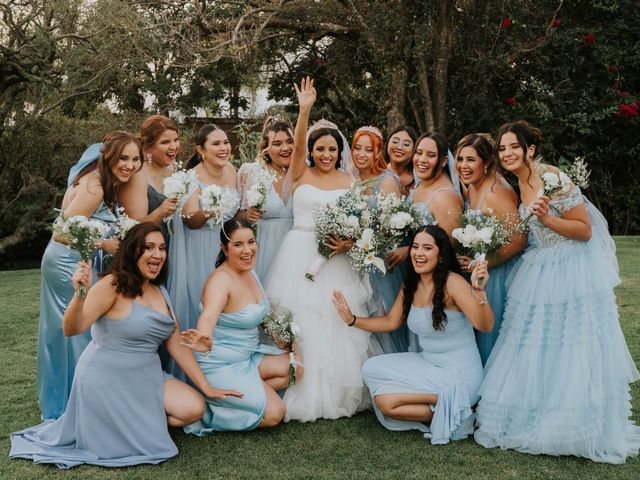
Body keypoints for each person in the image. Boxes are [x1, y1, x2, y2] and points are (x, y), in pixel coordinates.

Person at [474, 120, 640, 464]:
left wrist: (548, 219)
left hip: (569, 270)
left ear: (529, 150)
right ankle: (539, 414)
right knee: (538, 344)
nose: (506, 153)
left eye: (513, 147)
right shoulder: (518, 184)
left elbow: (584, 230)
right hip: (538, 269)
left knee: (572, 346)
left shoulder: (552, 177)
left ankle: (573, 423)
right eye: (502, 148)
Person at [11, 223, 241, 469]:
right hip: (107, 378)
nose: (158, 255)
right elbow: (71, 329)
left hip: (146, 375)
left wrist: (206, 386)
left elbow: (175, 343)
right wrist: (79, 295)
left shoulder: (160, 290)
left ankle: (133, 418)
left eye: (162, 248)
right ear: (133, 251)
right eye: (149, 248)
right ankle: (117, 418)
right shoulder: (112, 285)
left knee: (193, 408)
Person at [265, 77, 381, 422]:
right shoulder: (300, 173)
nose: (326, 154)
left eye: (332, 149)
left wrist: (349, 241)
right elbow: (297, 147)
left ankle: (336, 391)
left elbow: (362, 222)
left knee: (335, 321)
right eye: (320, 149)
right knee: (304, 320)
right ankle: (303, 388)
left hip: (337, 257)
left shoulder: (350, 181)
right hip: (300, 253)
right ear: (311, 152)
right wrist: (304, 111)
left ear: (339, 152)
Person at [332, 225, 492, 444]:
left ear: (441, 254)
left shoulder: (453, 283)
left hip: (460, 376)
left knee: (387, 401)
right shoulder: (411, 284)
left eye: (427, 248)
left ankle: (457, 407)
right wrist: (351, 319)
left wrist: (480, 292)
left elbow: (484, 325)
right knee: (372, 370)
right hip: (428, 363)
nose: (419, 253)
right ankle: (449, 410)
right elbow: (390, 322)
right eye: (415, 247)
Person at [36, 132, 141, 420]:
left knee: (68, 334)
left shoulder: (103, 180)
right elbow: (61, 232)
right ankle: (79, 405)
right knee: (79, 332)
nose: (130, 166)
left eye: (135, 159)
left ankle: (67, 400)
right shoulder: (94, 186)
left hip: (76, 261)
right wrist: (104, 244)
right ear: (108, 156)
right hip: (66, 264)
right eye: (124, 158)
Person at [179, 219, 300, 434]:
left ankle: (239, 395)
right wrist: (204, 337)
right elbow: (208, 316)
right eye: (238, 245)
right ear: (224, 249)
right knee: (275, 413)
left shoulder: (249, 272)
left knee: (294, 367)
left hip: (248, 357)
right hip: (220, 364)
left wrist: (282, 337)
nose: (247, 250)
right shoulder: (221, 281)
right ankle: (210, 410)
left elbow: (259, 313)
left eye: (251, 242)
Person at [167, 124, 240, 379]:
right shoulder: (192, 177)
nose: (224, 148)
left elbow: (235, 216)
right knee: (204, 307)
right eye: (216, 144)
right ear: (201, 149)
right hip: (200, 250)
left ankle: (227, 372)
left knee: (228, 310)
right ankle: (198, 377)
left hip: (227, 251)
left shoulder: (232, 171)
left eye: (226, 142)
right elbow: (189, 219)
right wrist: (209, 210)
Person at [454, 133, 527, 364]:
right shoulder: (471, 187)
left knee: (492, 334)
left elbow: (519, 240)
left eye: (470, 160)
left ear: (486, 162)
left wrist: (484, 263)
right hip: (479, 271)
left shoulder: (498, 193)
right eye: (460, 159)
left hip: (497, 274)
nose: (463, 166)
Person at [351, 126, 407, 353]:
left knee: (382, 314)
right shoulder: (350, 179)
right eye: (357, 148)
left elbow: (395, 229)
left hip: (381, 263)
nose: (361, 154)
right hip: (355, 260)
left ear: (378, 153)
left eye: (368, 149)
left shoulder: (386, 182)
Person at [237, 117, 294, 280]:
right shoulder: (251, 172)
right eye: (277, 144)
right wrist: (247, 216)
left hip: (297, 252)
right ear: (266, 148)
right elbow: (237, 217)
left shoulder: (304, 173)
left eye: (289, 141)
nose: (285, 148)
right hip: (264, 249)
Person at [119, 115, 181, 231]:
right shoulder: (137, 174)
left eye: (176, 140)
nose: (173, 147)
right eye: (165, 142)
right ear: (147, 146)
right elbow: (132, 228)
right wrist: (160, 212)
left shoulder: (175, 167)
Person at [384, 125, 418, 196]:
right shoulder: (376, 171)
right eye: (395, 142)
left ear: (414, 148)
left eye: (406, 144)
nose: (399, 147)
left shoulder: (418, 178)